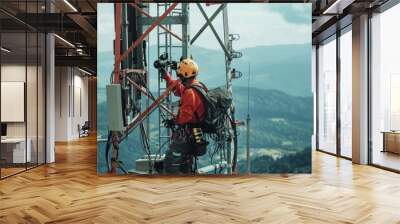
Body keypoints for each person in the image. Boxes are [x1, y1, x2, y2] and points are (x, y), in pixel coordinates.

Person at [158, 58, 208, 174]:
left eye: (180, 76)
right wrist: (166, 75)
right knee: (185, 163)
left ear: (184, 76)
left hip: (187, 134)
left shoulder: (190, 93)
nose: (179, 78)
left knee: (170, 164)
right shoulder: (197, 86)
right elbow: (177, 88)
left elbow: (184, 116)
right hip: (194, 133)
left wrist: (173, 121)